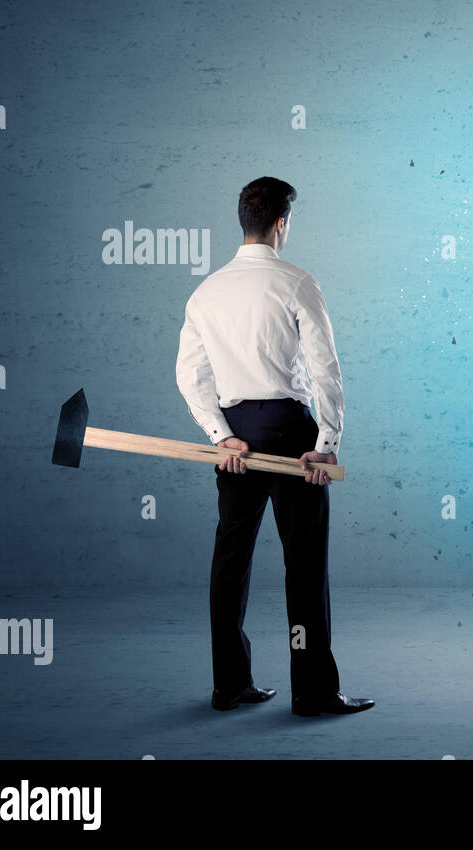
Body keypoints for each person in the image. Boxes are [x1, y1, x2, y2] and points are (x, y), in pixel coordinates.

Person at [175, 176, 373, 717]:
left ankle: (230, 685)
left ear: (244, 221)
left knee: (230, 561)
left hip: (236, 437)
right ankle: (312, 692)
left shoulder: (206, 291)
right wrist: (326, 442)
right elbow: (325, 370)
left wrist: (221, 436)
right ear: (281, 223)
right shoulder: (297, 282)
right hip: (292, 433)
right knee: (304, 566)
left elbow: (189, 377)